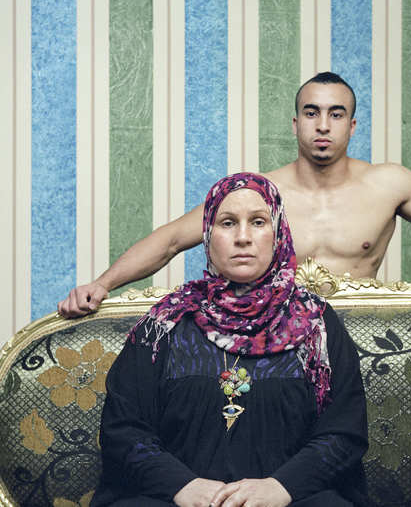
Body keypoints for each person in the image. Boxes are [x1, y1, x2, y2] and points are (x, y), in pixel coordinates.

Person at [59, 72, 411, 318]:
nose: (323, 125)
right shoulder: (258, 193)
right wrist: (102, 285)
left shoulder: (389, 183)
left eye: (336, 114)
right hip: (275, 342)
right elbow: (169, 240)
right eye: (312, 112)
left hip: (361, 336)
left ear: (352, 124)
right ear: (296, 123)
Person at [92, 173, 367, 507]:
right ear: (207, 235)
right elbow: (124, 429)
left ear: (278, 233)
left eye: (258, 222)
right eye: (227, 223)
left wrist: (280, 487)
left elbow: (343, 432)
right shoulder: (165, 323)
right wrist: (183, 486)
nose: (242, 237)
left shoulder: (316, 323)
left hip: (290, 501)